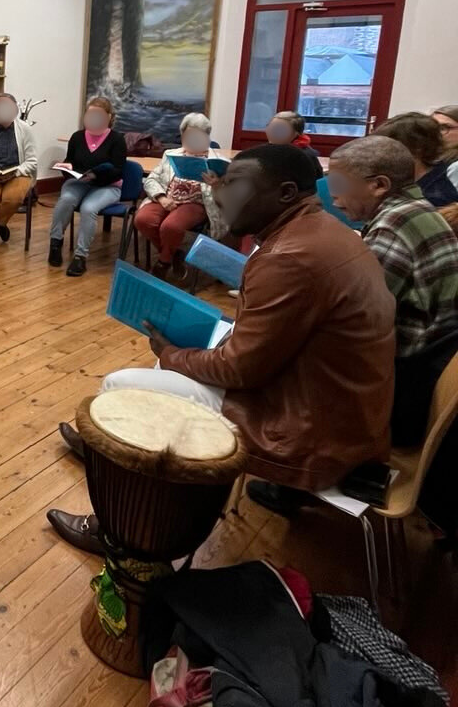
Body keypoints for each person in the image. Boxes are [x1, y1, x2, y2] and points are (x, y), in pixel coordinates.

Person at [47, 145, 395, 550]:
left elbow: (239, 371)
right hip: (321, 404)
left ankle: (124, 531)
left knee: (120, 385)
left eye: (236, 185)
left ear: (285, 193)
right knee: (167, 371)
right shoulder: (317, 233)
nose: (220, 195)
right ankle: (109, 454)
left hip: (303, 427)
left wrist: (169, 351)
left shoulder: (291, 255)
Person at [327, 135, 458, 446]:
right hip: (428, 361)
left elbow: (353, 319)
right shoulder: (418, 209)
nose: (333, 199)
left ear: (379, 185)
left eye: (339, 185)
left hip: (405, 379)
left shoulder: (392, 227)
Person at [133, 112, 227, 276]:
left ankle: (163, 262)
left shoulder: (218, 160)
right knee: (143, 220)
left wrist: (217, 185)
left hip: (196, 203)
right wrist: (161, 197)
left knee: (170, 226)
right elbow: (151, 179)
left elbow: (229, 195)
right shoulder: (171, 154)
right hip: (167, 197)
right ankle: (175, 255)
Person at [48, 96, 127, 277]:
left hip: (107, 185)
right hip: (79, 182)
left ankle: (80, 256)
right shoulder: (77, 137)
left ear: (109, 117)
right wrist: (65, 166)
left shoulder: (117, 140)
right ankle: (55, 243)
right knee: (66, 200)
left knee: (88, 208)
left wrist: (96, 174)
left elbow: (118, 171)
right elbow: (71, 161)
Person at [0, 93, 38, 243]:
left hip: (18, 173)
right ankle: (1, 223)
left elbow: (32, 161)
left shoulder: (25, 129)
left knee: (12, 199)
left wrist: (16, 172)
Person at [374, 111, 458, 209]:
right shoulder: (407, 177)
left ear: (418, 148)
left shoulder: (437, 196)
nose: (382, 154)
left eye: (391, 147)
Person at [265, 111, 322, 178]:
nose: (272, 132)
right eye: (270, 127)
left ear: (296, 134)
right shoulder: (269, 149)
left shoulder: (302, 156)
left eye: (280, 129)